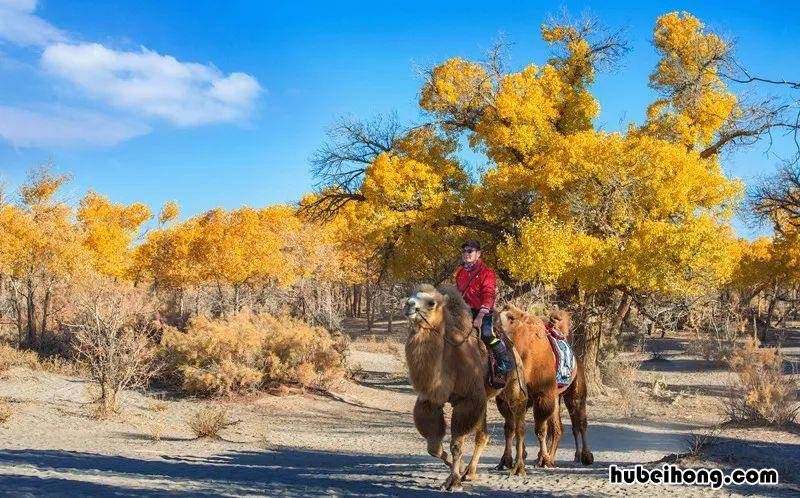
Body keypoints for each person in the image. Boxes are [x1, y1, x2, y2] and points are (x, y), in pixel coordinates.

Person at [455, 239, 513, 374]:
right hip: (464, 312)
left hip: (482, 312)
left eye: (470, 251)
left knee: (487, 335)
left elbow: (489, 294)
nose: (466, 254)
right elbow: (458, 293)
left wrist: (480, 316)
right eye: (464, 251)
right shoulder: (460, 273)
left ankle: (505, 361)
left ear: (478, 253)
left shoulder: (487, 273)